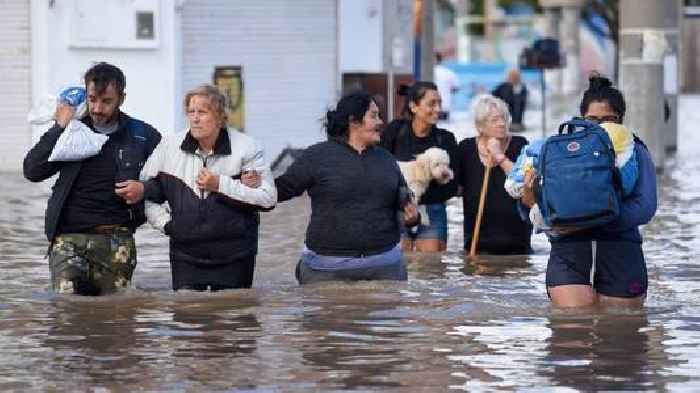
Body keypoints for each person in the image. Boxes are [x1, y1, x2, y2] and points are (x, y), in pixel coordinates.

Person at [23, 62, 161, 295]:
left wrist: (144, 189)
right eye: (92, 99)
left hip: (117, 238)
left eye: (106, 101)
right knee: (68, 309)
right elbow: (32, 171)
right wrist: (59, 126)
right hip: (67, 239)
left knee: (116, 316)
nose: (97, 108)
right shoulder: (72, 132)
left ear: (122, 98)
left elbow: (168, 184)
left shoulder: (142, 135)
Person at [521, 75, 657, 308]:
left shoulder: (636, 152)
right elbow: (533, 208)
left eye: (608, 120)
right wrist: (530, 200)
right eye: (592, 120)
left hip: (621, 252)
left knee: (620, 334)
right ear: (580, 119)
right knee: (572, 331)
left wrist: (591, 220)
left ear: (620, 120)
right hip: (569, 253)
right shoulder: (560, 150)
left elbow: (645, 207)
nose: (600, 126)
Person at [126, 85, 276, 291]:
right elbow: (145, 193)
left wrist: (220, 184)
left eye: (203, 112)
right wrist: (168, 225)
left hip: (236, 256)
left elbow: (268, 199)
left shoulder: (248, 147)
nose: (195, 119)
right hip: (185, 255)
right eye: (191, 112)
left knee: (233, 319)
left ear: (221, 117)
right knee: (188, 317)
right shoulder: (169, 146)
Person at [275, 91, 419, 285]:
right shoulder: (317, 156)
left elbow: (404, 204)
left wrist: (412, 218)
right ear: (354, 121)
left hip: (385, 268)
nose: (381, 122)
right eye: (374, 115)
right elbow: (277, 191)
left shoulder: (386, 159)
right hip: (326, 268)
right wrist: (240, 186)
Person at [380, 81, 459, 252]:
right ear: (413, 107)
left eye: (440, 104)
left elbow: (452, 186)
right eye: (432, 104)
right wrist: (404, 202)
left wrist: (419, 202)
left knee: (431, 268)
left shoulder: (446, 139)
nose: (438, 109)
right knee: (397, 264)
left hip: (433, 210)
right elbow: (379, 170)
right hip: (396, 209)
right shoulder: (395, 131)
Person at [456, 94, 532, 255]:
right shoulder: (466, 148)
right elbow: (456, 188)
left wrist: (499, 156)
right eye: (495, 120)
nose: (502, 123)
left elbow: (522, 181)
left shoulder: (520, 145)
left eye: (504, 118)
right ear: (480, 126)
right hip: (477, 242)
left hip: (516, 243)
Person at [491, 68, 528, 132]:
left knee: (517, 102)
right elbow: (492, 95)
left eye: (515, 76)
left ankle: (515, 123)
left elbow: (520, 104)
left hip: (515, 117)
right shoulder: (502, 86)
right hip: (503, 111)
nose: (513, 78)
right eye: (511, 76)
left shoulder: (521, 87)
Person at [433, 53, 460, 121]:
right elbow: (456, 88)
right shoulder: (449, 73)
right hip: (445, 106)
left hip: (430, 107)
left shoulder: (426, 73)